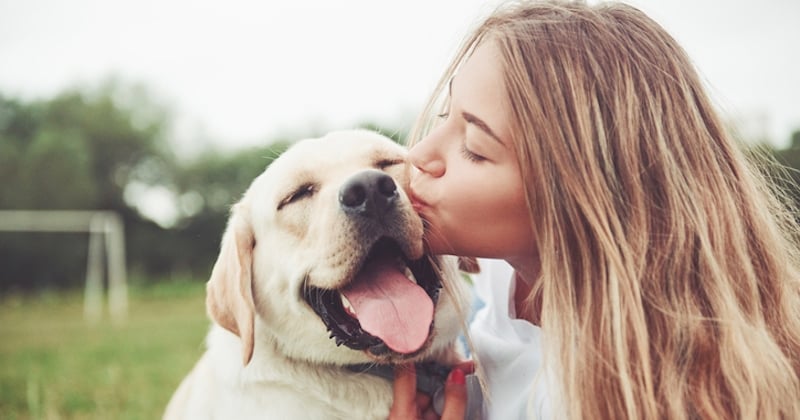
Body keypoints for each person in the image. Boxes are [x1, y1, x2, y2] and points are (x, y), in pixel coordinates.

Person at [388, 1, 800, 419]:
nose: (419, 153)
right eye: (446, 113)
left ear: (575, 197)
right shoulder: (508, 272)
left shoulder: (623, 400)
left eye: (475, 149)